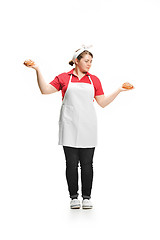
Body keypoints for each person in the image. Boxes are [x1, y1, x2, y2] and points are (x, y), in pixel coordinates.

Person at [24, 45, 134, 209]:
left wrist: (118, 90)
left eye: (91, 61)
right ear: (76, 61)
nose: (90, 64)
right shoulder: (63, 78)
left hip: (88, 126)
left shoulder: (94, 80)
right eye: (86, 61)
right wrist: (37, 69)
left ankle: (87, 198)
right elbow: (45, 90)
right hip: (69, 125)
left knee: (88, 164)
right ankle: (74, 197)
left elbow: (102, 103)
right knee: (71, 163)